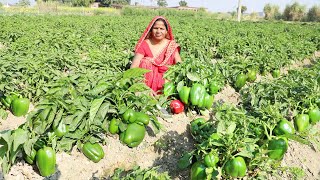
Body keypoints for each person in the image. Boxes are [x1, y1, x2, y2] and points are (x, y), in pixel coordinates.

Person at [130, 16, 182, 94]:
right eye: (155, 28)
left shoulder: (171, 46)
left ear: (166, 32)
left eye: (162, 29)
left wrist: (169, 84)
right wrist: (143, 88)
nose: (158, 31)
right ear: (151, 30)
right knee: (145, 62)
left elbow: (180, 66)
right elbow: (133, 68)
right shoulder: (144, 44)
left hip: (166, 86)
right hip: (145, 87)